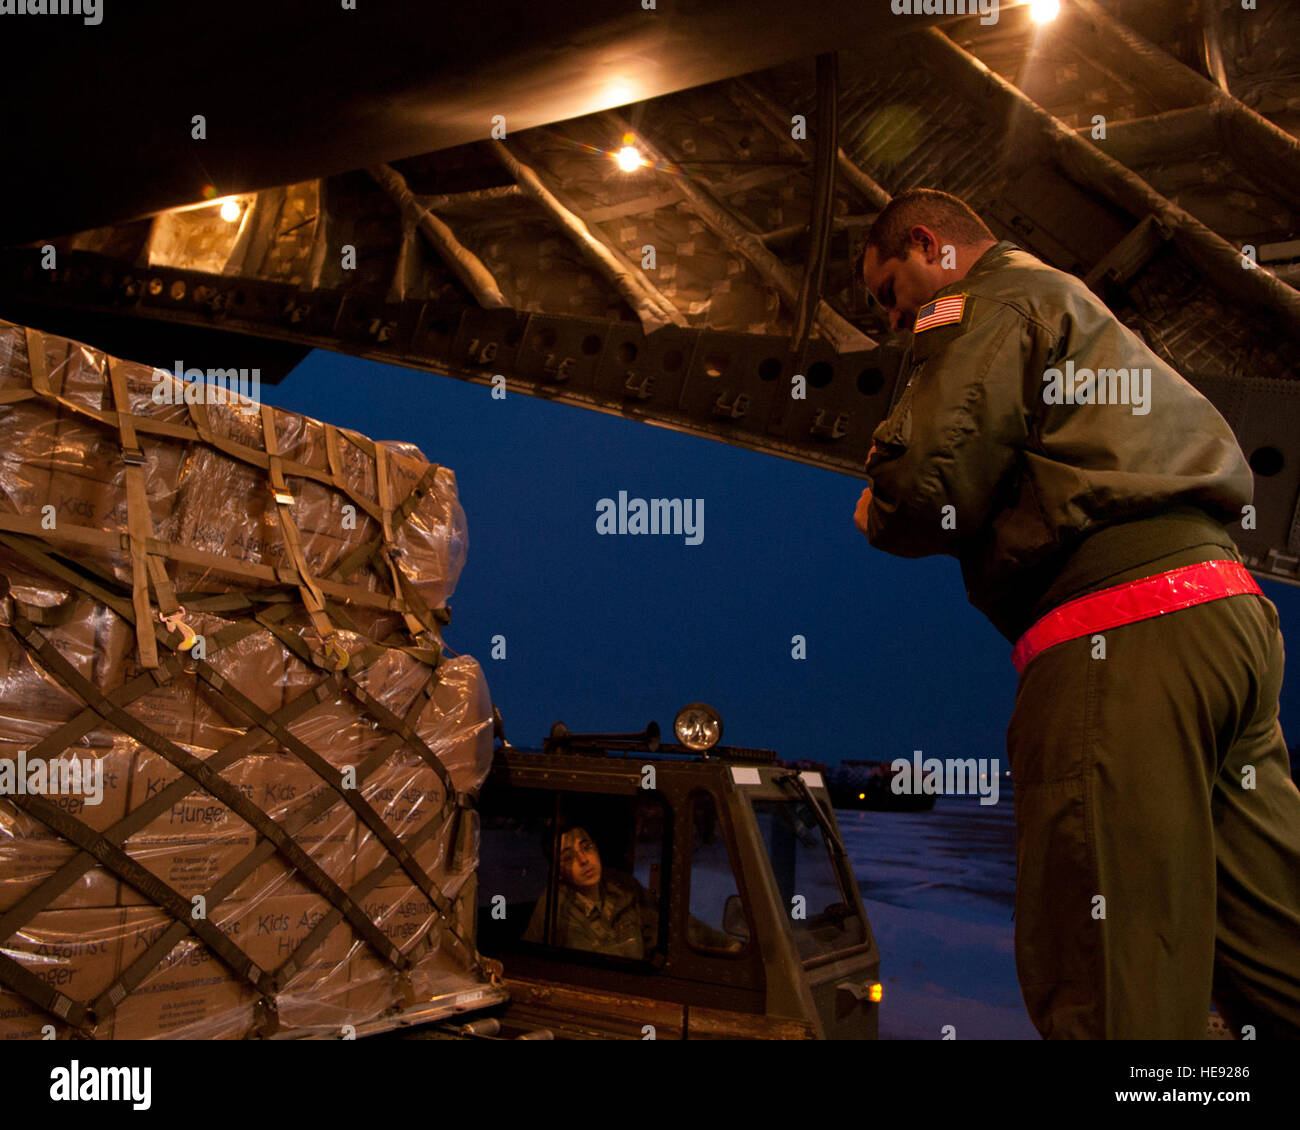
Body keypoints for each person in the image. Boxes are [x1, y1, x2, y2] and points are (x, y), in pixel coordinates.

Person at [852, 187, 1300, 1039]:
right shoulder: (1075, 307)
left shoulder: (982, 298)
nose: (896, 323)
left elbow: (931, 479)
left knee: (1107, 978)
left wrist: (882, 507)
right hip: (1224, 617)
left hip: (1120, 638)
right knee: (1274, 938)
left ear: (927, 245)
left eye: (888, 294)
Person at [522, 825, 742, 958]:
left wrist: (728, 945)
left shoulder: (622, 887)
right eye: (568, 857)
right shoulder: (555, 908)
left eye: (586, 847)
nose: (583, 860)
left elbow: (668, 924)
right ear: (558, 872)